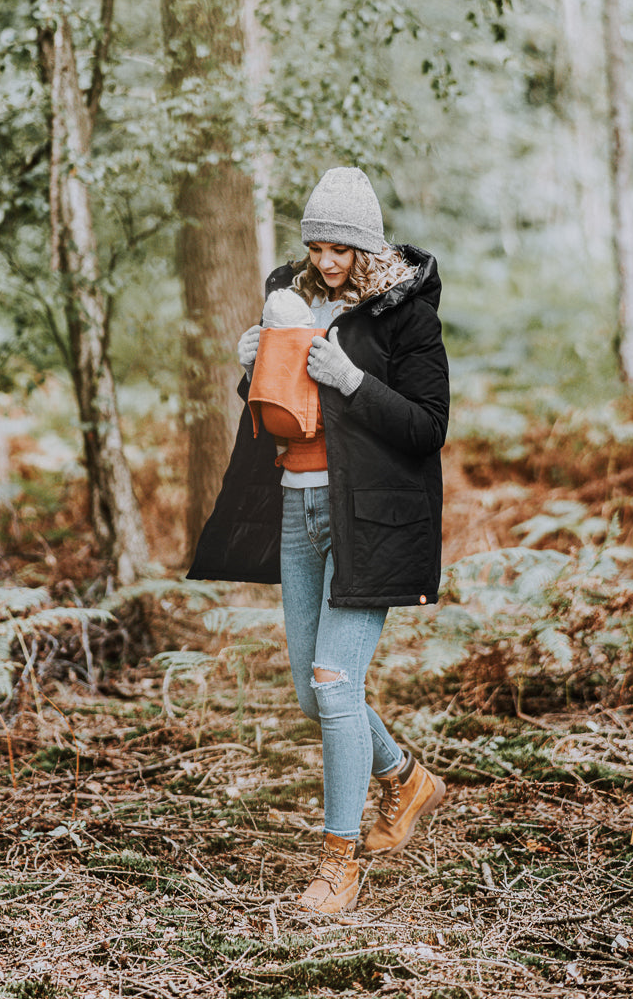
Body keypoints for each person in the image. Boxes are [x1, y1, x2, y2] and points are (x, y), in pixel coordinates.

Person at [188, 166, 450, 914]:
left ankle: (339, 861)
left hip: (371, 519)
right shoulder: (293, 295)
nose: (328, 260)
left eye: (341, 248)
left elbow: (428, 427)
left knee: (337, 682)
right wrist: (252, 370)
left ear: (365, 245)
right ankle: (406, 779)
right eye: (317, 246)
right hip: (298, 508)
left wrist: (353, 380)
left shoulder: (407, 316)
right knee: (312, 694)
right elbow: (283, 407)